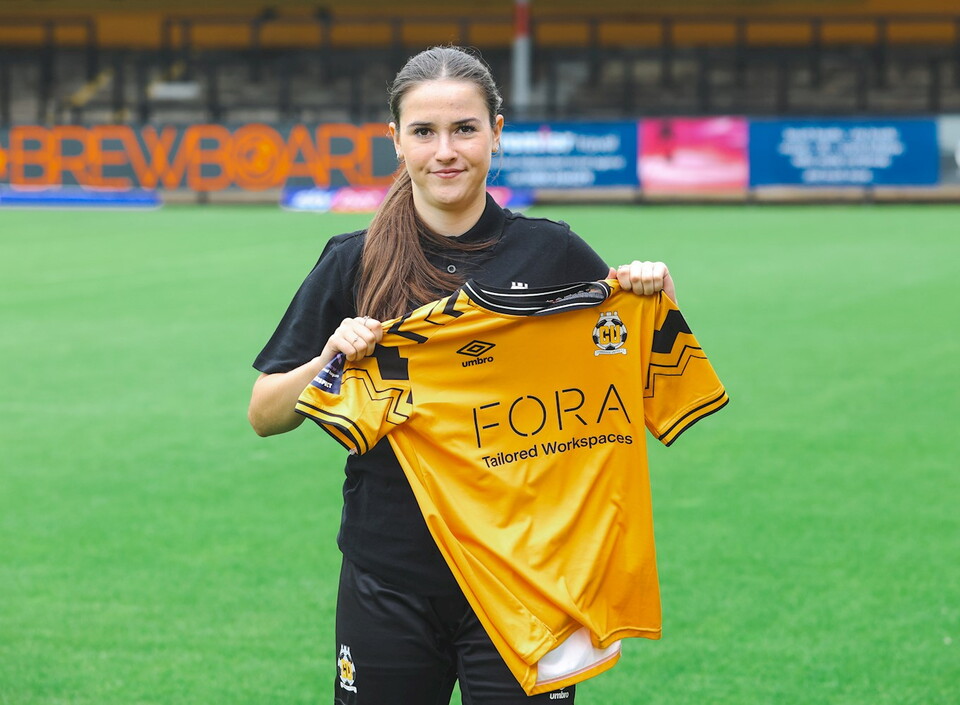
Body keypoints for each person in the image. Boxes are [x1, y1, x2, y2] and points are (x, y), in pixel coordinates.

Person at [249, 45, 676, 705]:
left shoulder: (554, 252)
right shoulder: (353, 261)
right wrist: (327, 359)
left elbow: (633, 382)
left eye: (464, 129)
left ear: (496, 134)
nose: (445, 151)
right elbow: (264, 414)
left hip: (528, 578)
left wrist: (654, 300)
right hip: (389, 577)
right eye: (424, 131)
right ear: (396, 140)